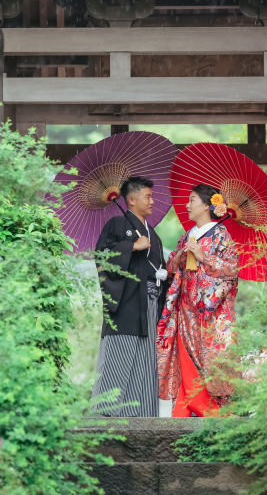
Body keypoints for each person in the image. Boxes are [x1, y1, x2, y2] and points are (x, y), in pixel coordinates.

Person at [90, 176, 171, 417]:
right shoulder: (117, 224)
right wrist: (130, 247)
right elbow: (102, 256)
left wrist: (170, 269)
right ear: (132, 200)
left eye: (152, 196)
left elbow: (158, 269)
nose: (152, 201)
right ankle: (105, 413)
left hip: (150, 302)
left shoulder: (152, 234)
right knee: (119, 351)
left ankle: (142, 416)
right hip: (125, 303)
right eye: (148, 196)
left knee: (146, 359)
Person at [157, 184, 240, 417]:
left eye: (192, 200)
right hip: (185, 311)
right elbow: (172, 268)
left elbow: (232, 271)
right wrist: (178, 259)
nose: (187, 205)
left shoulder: (221, 235)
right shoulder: (187, 235)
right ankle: (184, 409)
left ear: (206, 206)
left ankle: (213, 411)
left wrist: (204, 257)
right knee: (185, 364)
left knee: (209, 365)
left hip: (209, 315)